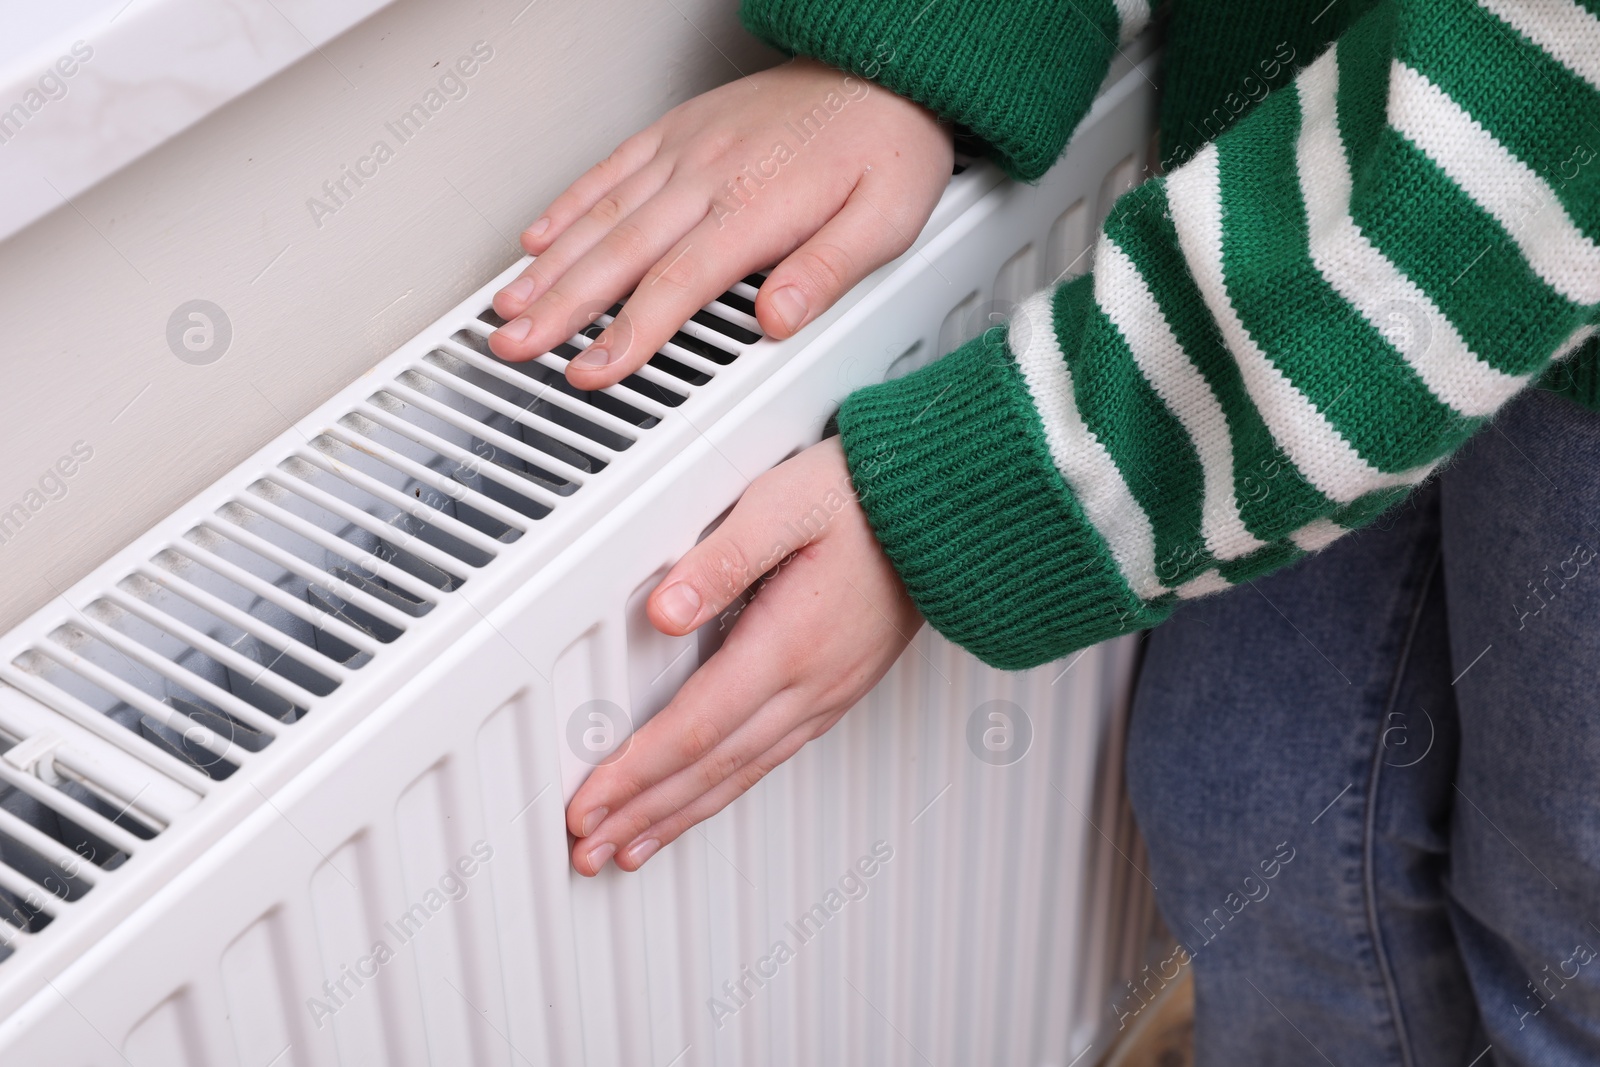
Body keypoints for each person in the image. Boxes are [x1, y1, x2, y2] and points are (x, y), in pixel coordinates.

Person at [487, 0, 1600, 1060]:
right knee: (1251, 811)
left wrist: (981, 489)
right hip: (1319, 148)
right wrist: (923, 46)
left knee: (1562, 930)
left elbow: (1545, 117)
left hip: (1525, 176)